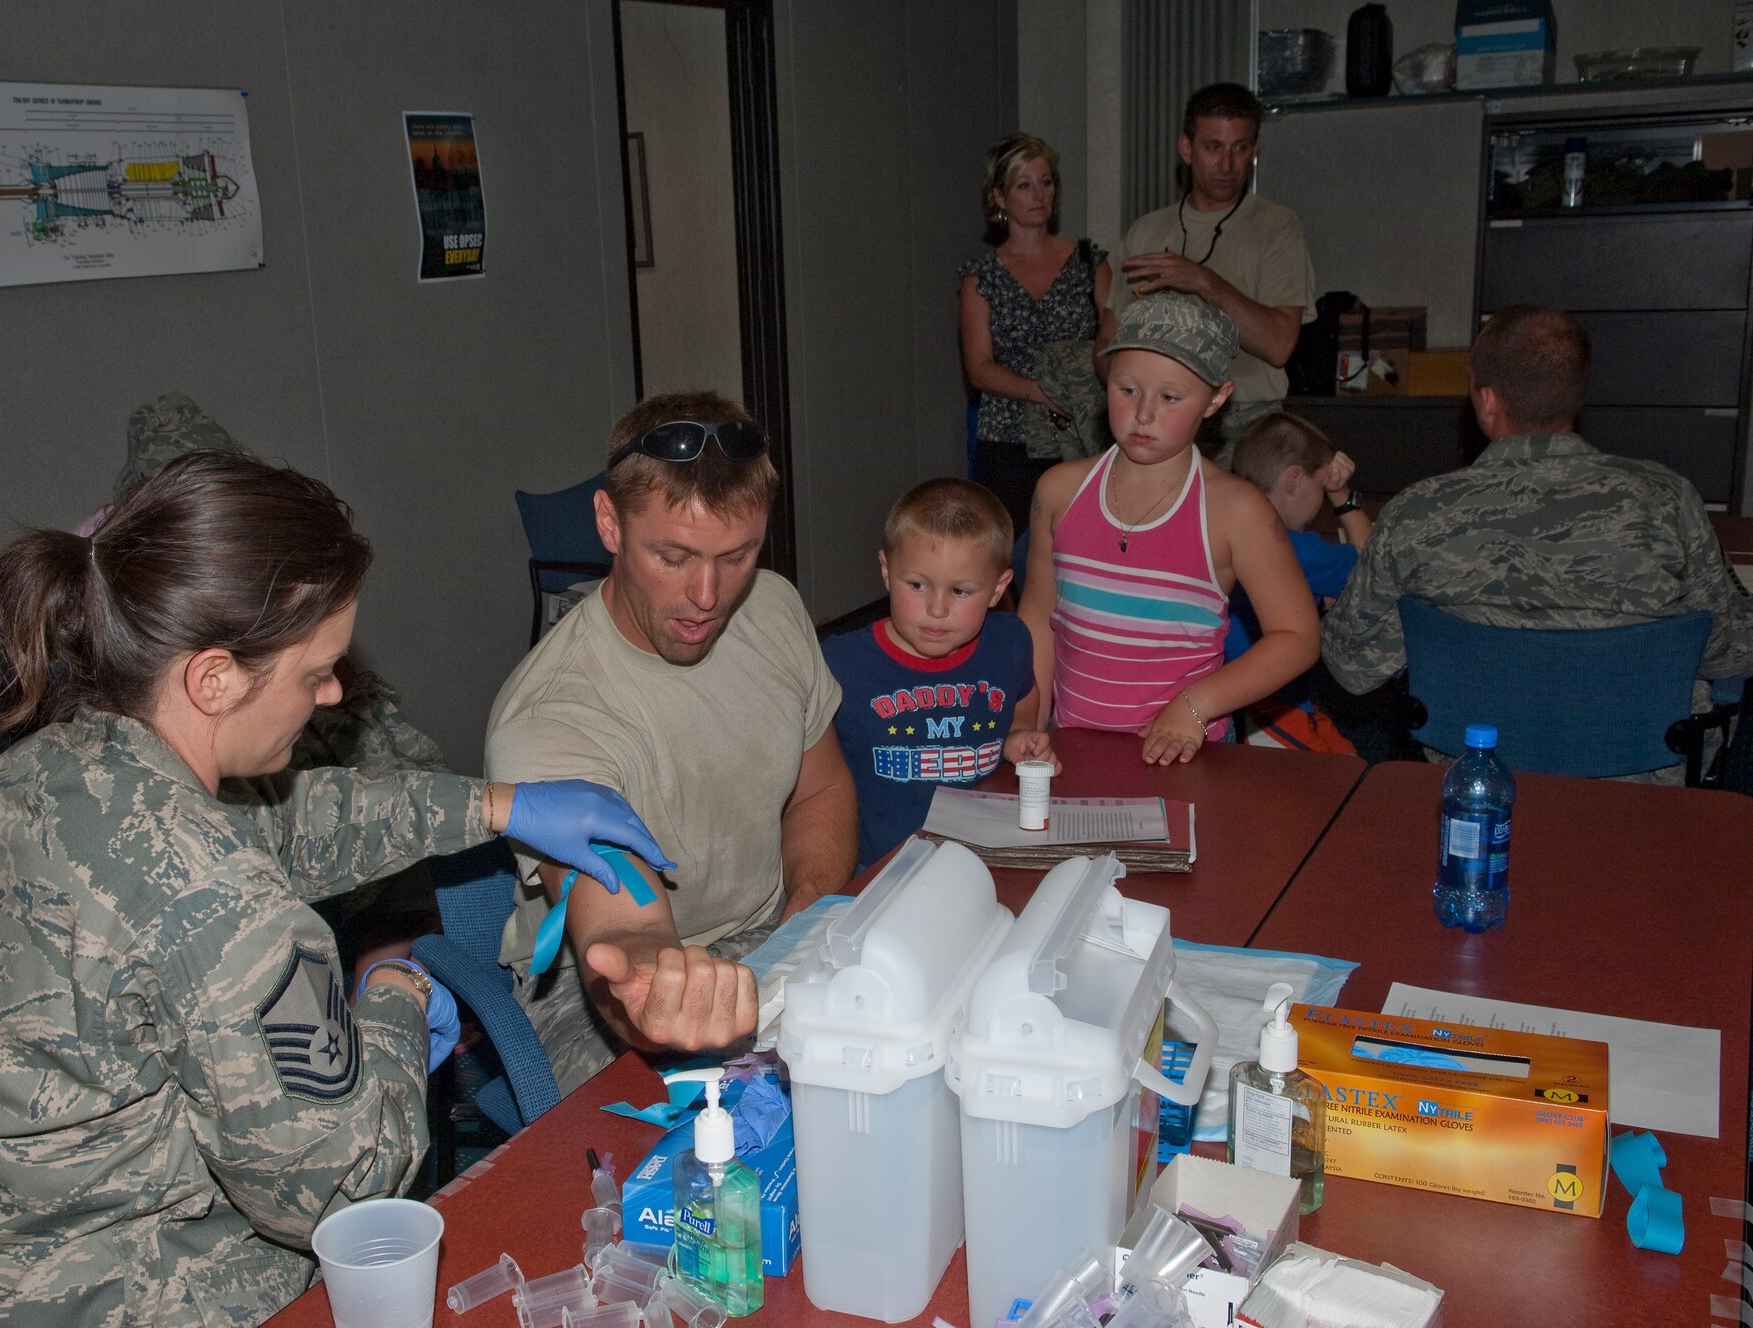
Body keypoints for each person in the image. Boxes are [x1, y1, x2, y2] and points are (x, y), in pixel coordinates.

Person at [0, 451, 668, 1327]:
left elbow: (285, 821)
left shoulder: (49, 769)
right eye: (314, 669)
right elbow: (342, 1188)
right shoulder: (223, 904)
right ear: (213, 677)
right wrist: (394, 1001)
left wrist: (497, 805)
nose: (332, 693)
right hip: (118, 1294)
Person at [486, 390, 857, 1095]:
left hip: (766, 932)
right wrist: (658, 986)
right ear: (609, 523)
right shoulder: (553, 716)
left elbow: (823, 789)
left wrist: (804, 914)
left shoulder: (772, 607)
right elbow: (620, 935)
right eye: (673, 555)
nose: (708, 595)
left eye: (737, 554)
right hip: (592, 988)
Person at [1321, 305, 1753, 778]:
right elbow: (1731, 651)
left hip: (1473, 782)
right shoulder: (1669, 500)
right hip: (1644, 788)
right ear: (1576, 396)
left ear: (1487, 402)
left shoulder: (1417, 512)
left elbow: (1350, 664)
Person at [1017, 292, 1319, 765]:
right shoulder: (1058, 492)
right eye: (1127, 389)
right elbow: (1038, 617)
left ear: (1217, 398)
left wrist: (1197, 705)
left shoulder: (1237, 511)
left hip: (1183, 758)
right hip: (1072, 749)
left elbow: (1298, 636)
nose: (1143, 414)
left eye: (1171, 397)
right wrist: (1027, 721)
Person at [822, 478, 1058, 868]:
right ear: (886, 569)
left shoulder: (1010, 641)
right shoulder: (839, 663)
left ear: (998, 589)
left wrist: (1018, 732)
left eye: (960, 591)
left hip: (986, 860)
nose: (936, 608)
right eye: (917, 585)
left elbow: (1024, 692)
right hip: (876, 871)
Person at [1114, 83, 1316, 460]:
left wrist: (1204, 282)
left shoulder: (1276, 226)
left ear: (1255, 151)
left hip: (1248, 423)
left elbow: (1279, 345)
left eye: (1240, 148)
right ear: (1186, 149)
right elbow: (1109, 343)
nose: (1227, 165)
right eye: (1213, 147)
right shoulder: (1146, 231)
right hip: (1158, 418)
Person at [959, 132, 1117, 532]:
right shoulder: (982, 277)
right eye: (1024, 185)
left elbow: (1114, 342)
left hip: (1083, 434)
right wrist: (1040, 392)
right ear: (999, 196)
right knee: (1007, 551)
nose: (1038, 194)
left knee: (1084, 542)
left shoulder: (1089, 263)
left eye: (1046, 182)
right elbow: (978, 368)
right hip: (1009, 437)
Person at [1225, 410, 1373, 658]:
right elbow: (1372, 564)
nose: (1322, 497)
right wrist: (1341, 495)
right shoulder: (1294, 549)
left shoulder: (1220, 528)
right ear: (1294, 480)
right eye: (1321, 486)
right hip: (1276, 690)